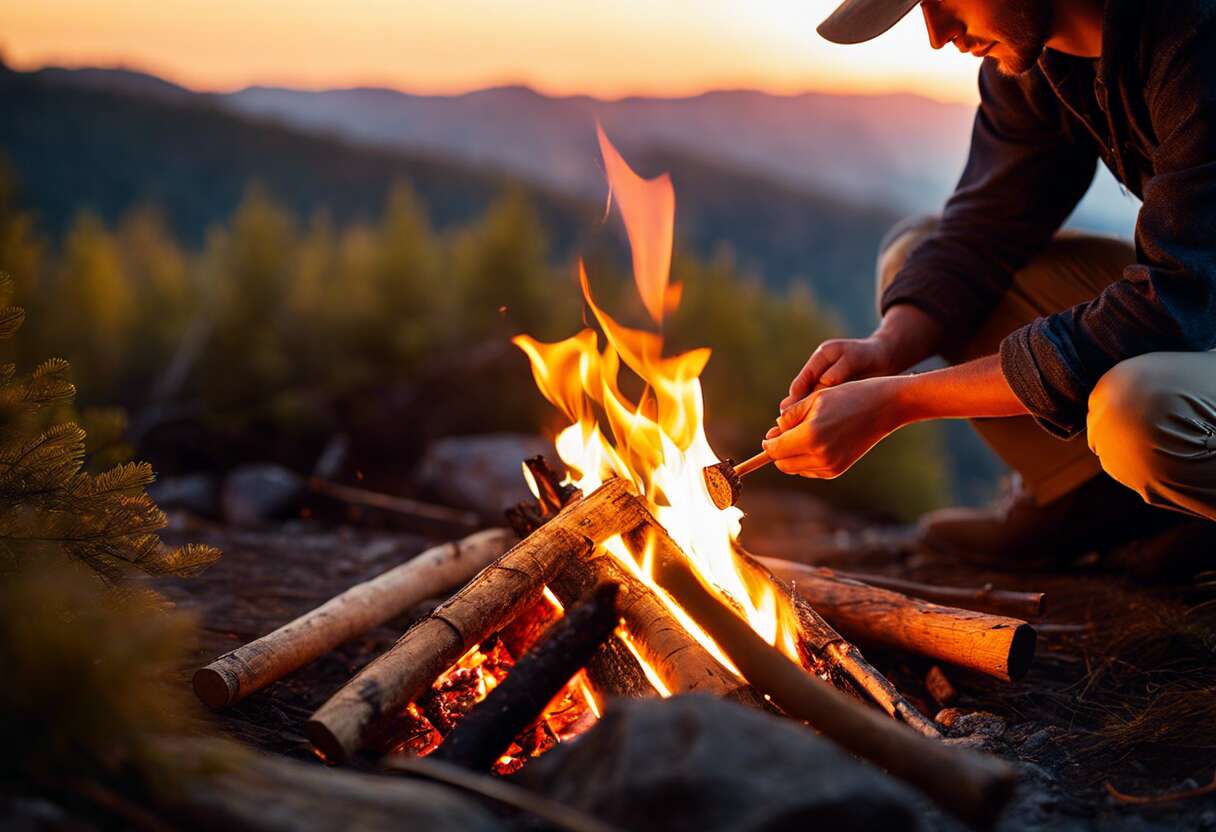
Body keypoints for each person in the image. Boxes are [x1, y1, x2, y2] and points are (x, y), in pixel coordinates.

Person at [764, 0, 1216, 562]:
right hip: (1199, 298)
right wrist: (885, 350)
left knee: (1142, 410)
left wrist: (895, 402)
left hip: (1194, 302)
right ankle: (1100, 509)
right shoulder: (1043, 61)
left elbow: (1174, 303)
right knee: (917, 260)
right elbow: (983, 231)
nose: (937, 34)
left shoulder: (1196, 34)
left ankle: (1189, 519)